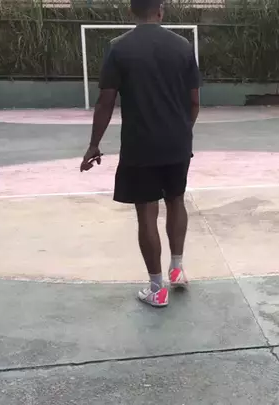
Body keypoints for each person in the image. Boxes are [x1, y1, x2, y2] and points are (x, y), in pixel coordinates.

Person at [79, 0, 201, 307]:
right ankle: (177, 268)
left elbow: (105, 102)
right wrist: (182, 132)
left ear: (132, 11)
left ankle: (157, 288)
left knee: (146, 212)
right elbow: (194, 102)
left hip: (140, 145)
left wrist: (94, 144)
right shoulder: (183, 47)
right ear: (160, 10)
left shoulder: (119, 48)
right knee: (176, 201)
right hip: (177, 143)